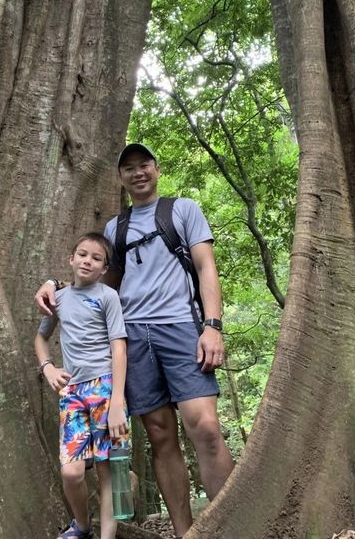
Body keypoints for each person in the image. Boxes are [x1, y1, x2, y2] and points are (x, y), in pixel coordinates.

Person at [36, 144, 234, 537]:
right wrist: (57, 285)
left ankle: (232, 525)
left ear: (157, 170)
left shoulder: (183, 210)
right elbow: (97, 284)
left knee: (206, 428)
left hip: (181, 327)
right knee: (160, 435)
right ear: (121, 178)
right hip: (133, 335)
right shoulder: (115, 229)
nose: (138, 172)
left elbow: (205, 266)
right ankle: (185, 533)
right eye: (129, 168)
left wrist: (213, 325)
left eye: (144, 165)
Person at [35, 233, 128, 539]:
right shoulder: (57, 299)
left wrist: (117, 403)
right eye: (83, 255)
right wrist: (48, 367)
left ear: (104, 268)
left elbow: (118, 348)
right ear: (70, 259)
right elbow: (40, 338)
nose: (88, 261)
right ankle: (83, 527)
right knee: (72, 472)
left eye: (96, 258)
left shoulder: (107, 297)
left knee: (109, 471)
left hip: (105, 388)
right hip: (72, 393)